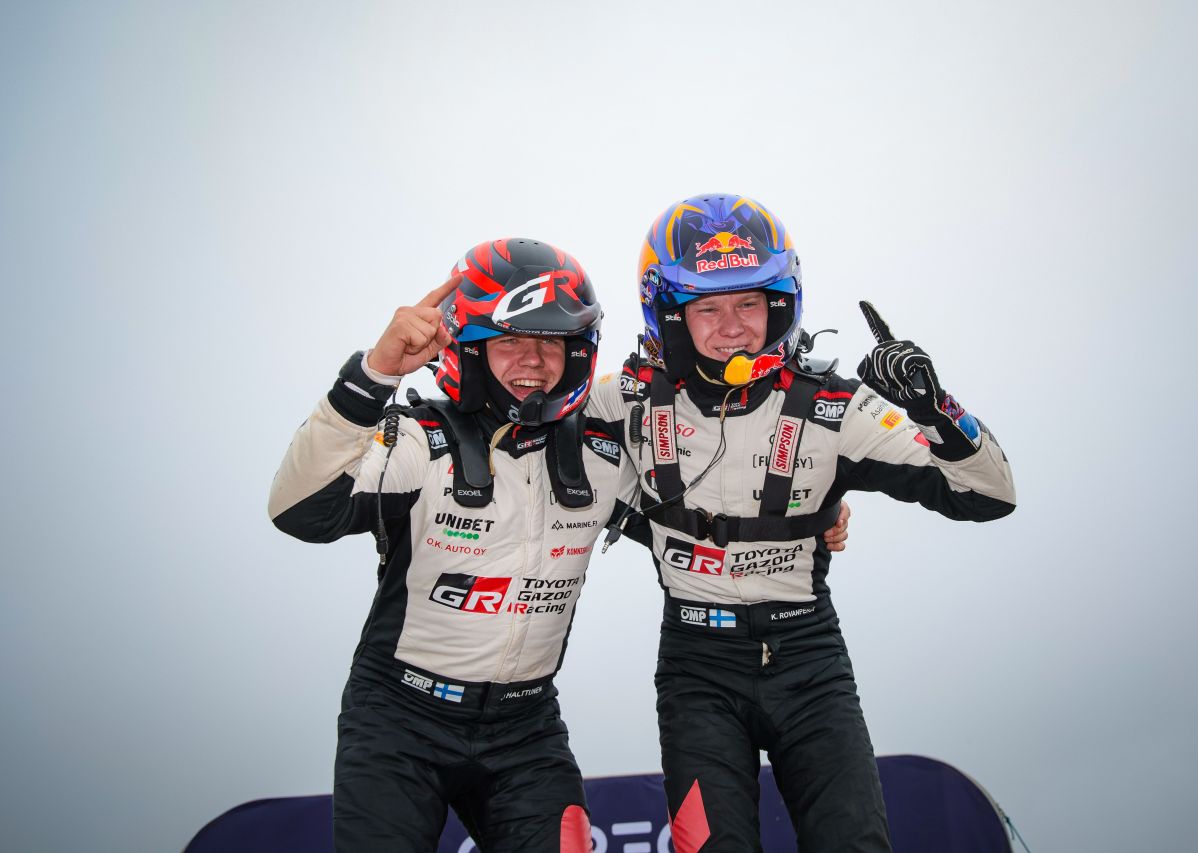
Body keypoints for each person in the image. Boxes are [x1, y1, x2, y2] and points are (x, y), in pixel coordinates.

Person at [267, 234, 858, 851]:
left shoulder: (602, 454)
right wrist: (373, 374)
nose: (534, 360)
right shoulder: (419, 441)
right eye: (510, 342)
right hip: (397, 718)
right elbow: (301, 511)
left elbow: (695, 516)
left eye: (553, 342)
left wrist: (814, 511)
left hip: (525, 729)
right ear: (468, 347)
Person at [588, 193, 1017, 852]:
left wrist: (936, 408)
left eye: (749, 303)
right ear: (670, 314)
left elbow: (989, 495)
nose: (733, 327)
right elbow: (520, 455)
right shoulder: (624, 400)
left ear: (780, 304)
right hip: (697, 666)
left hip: (809, 659)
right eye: (707, 308)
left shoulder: (835, 406)